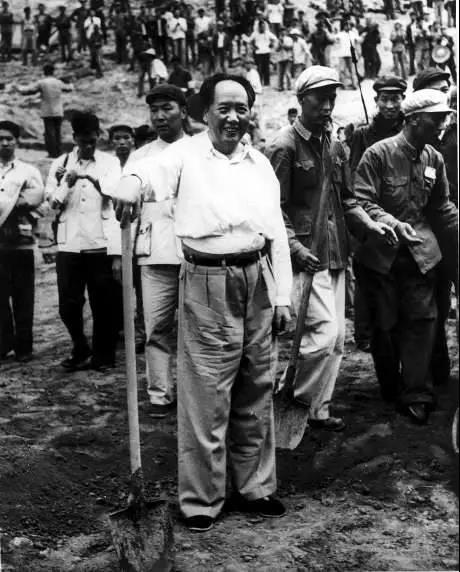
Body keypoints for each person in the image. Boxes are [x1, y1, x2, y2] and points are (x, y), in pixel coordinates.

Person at [114, 73, 292, 532]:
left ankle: (255, 487)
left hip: (258, 277)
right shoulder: (184, 154)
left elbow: (276, 232)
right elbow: (147, 173)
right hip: (207, 279)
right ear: (206, 112)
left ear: (250, 112)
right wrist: (130, 183)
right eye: (223, 108)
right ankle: (201, 499)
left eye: (241, 108)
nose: (233, 117)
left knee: (256, 386)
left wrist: (283, 296)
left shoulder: (259, 163)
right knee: (206, 394)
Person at [267, 66, 391, 431]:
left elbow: (348, 199)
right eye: (319, 99)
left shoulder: (335, 146)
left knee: (336, 339)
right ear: (301, 99)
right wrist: (293, 247)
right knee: (321, 336)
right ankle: (291, 397)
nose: (326, 106)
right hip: (306, 256)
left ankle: (319, 408)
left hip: (336, 252)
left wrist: (370, 225)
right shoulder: (283, 146)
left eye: (331, 99)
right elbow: (273, 207)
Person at [353, 89, 458, 424]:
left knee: (422, 320)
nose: (442, 125)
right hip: (380, 257)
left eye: (444, 118)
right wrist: (392, 223)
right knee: (385, 327)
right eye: (435, 118)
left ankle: (417, 392)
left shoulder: (433, 158)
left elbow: (441, 205)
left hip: (420, 254)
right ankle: (390, 385)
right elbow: (362, 202)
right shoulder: (377, 155)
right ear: (413, 120)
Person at [112, 85, 188, 418]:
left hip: (195, 253)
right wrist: (121, 254)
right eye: (154, 110)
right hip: (154, 252)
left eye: (167, 108)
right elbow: (124, 211)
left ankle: (193, 395)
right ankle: (160, 394)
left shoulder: (200, 150)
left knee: (195, 330)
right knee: (156, 327)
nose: (159, 116)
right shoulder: (140, 157)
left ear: (183, 111)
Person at [45, 112, 121, 372]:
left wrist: (89, 178)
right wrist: (65, 183)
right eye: (83, 140)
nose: (88, 145)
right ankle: (80, 347)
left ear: (98, 136)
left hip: (100, 243)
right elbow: (51, 203)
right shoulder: (60, 162)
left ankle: (104, 356)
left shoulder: (110, 162)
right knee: (68, 304)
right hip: (69, 243)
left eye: (92, 140)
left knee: (104, 303)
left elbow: (114, 192)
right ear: (74, 138)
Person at [349, 76, 407, 353]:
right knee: (367, 274)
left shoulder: (408, 131)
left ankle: (396, 329)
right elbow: (353, 176)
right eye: (385, 99)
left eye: (395, 99)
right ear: (376, 101)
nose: (390, 105)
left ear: (403, 100)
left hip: (400, 212)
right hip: (369, 213)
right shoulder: (362, 135)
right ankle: (364, 333)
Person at [0, 121, 44, 363]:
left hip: (21, 243)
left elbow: (41, 201)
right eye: (0, 139)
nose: (4, 143)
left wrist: (22, 205)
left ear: (16, 141)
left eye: (9, 138)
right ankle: (3, 343)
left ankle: (24, 346)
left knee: (23, 296)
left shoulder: (28, 171)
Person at [16, 63, 73, 159]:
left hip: (47, 111)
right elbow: (69, 88)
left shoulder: (42, 82)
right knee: (57, 132)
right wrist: (70, 82)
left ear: (44, 72)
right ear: (53, 72)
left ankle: (52, 153)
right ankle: (58, 152)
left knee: (49, 133)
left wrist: (18, 88)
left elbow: (29, 90)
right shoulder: (58, 82)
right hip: (58, 110)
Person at [249, 19, 277, 86]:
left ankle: (267, 82)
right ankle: (259, 82)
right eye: (261, 26)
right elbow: (249, 41)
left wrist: (271, 44)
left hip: (266, 52)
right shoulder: (255, 33)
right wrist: (253, 47)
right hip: (258, 53)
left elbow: (275, 38)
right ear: (259, 27)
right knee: (260, 68)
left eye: (264, 26)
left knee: (266, 67)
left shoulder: (267, 33)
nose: (263, 28)